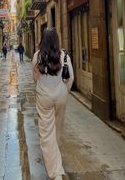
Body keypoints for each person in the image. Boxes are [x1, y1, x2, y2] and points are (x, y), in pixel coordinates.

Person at [32, 27, 74, 180]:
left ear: (42, 40)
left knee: (46, 134)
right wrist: (64, 92)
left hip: (44, 97)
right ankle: (56, 159)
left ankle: (56, 173)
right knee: (58, 129)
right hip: (61, 95)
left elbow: (35, 78)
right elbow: (70, 79)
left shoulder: (37, 56)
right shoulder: (64, 56)